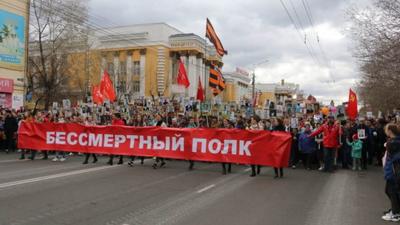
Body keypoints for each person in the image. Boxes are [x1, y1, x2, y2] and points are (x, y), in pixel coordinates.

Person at [382, 123, 400, 222]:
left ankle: (396, 213)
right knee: (390, 191)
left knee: (391, 191)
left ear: (390, 131)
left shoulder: (393, 142)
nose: (385, 131)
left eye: (386, 129)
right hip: (392, 169)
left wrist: (388, 144)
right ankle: (395, 210)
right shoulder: (393, 141)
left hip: (393, 170)